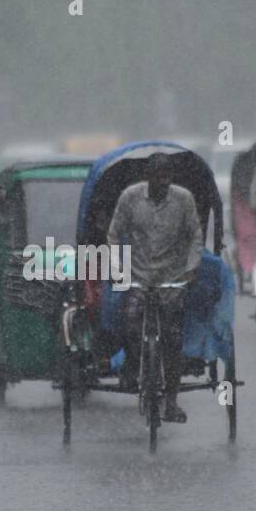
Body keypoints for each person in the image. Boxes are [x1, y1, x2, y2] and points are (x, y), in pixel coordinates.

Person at [106, 152, 202, 424]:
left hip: (171, 280)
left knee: (172, 340)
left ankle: (171, 402)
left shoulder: (183, 199)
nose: (163, 183)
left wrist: (193, 266)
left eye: (167, 178)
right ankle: (133, 364)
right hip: (139, 277)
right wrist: (117, 266)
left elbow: (195, 234)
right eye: (157, 177)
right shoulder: (130, 198)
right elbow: (114, 233)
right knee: (131, 324)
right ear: (147, 178)